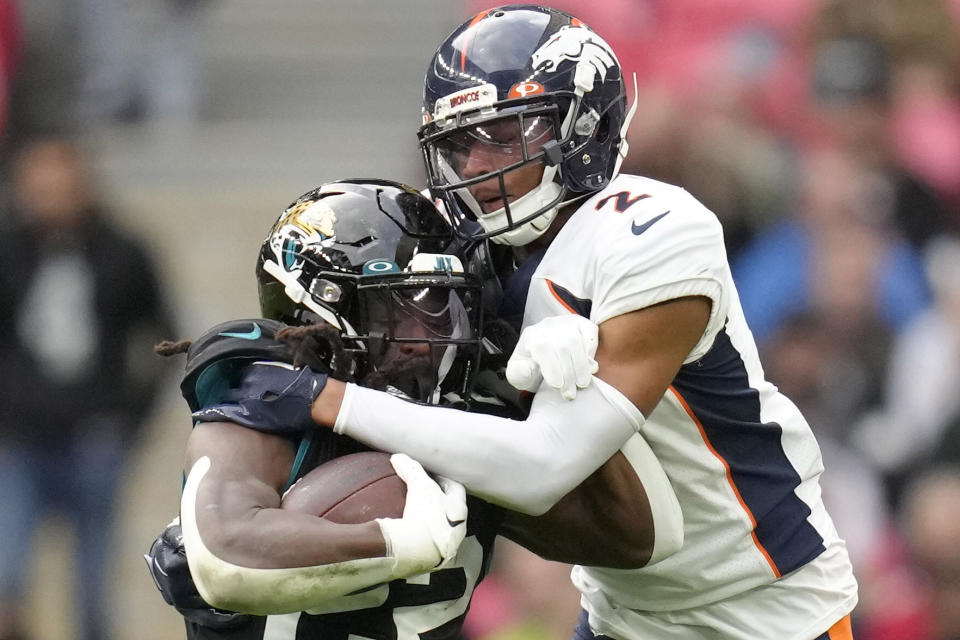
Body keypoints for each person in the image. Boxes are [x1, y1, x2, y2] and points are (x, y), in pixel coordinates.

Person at [199, 6, 860, 639]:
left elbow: (545, 465)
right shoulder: (463, 247)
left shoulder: (655, 231)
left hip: (768, 608)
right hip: (626, 612)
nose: (479, 167)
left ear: (579, 126)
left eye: (504, 134)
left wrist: (331, 400)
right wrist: (275, 347)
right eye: (460, 144)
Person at [149, 178, 680, 638]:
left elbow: (638, 536)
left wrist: (573, 399)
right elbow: (226, 557)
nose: (425, 338)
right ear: (322, 307)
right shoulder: (258, 411)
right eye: (396, 309)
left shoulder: (465, 427)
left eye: (440, 307)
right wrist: (397, 542)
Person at [0, 137, 176, 640]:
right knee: (8, 574)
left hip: (94, 434)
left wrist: (131, 415)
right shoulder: (9, 249)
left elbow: (161, 336)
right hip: (22, 437)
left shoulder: (123, 251)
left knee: (92, 585)